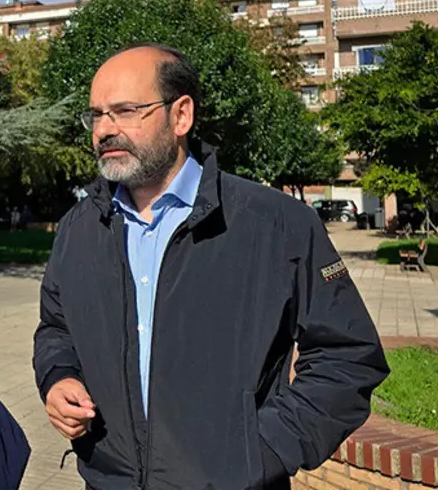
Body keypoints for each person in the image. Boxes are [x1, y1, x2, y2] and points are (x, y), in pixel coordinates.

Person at [32, 44, 389, 490]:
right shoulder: (79, 228)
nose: (105, 130)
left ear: (181, 115)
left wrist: (266, 450)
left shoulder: (275, 224)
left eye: (125, 111)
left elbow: (348, 356)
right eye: (96, 116)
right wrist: (59, 377)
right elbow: (56, 328)